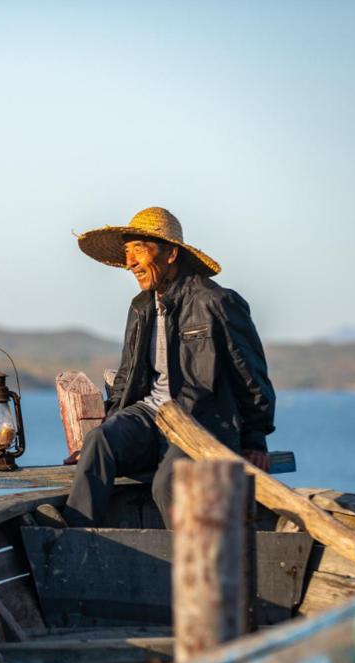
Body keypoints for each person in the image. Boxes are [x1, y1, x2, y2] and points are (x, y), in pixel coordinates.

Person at [49, 206, 275, 529]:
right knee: (98, 442)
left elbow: (251, 375)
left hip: (200, 423)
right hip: (150, 418)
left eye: (138, 251)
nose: (130, 263)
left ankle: (183, 571)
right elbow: (127, 377)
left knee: (167, 482)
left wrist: (255, 440)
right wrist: (108, 428)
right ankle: (74, 540)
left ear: (170, 254)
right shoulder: (140, 307)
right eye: (127, 253)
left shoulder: (216, 302)